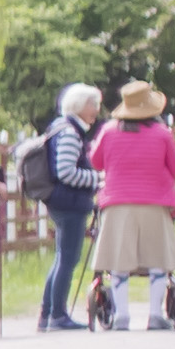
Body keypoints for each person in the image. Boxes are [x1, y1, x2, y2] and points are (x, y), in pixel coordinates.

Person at [85, 80, 175, 333]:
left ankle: (122, 316)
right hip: (155, 203)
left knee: (119, 262)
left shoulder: (109, 131)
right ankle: (155, 315)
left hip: (117, 203)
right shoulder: (162, 134)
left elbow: (96, 162)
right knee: (157, 260)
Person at [24, 78, 105, 330]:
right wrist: (98, 178)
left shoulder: (62, 127)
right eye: (93, 104)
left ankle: (48, 314)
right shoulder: (70, 133)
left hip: (62, 202)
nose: (96, 111)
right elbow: (66, 172)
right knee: (68, 259)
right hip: (68, 203)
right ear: (80, 105)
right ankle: (57, 315)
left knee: (62, 258)